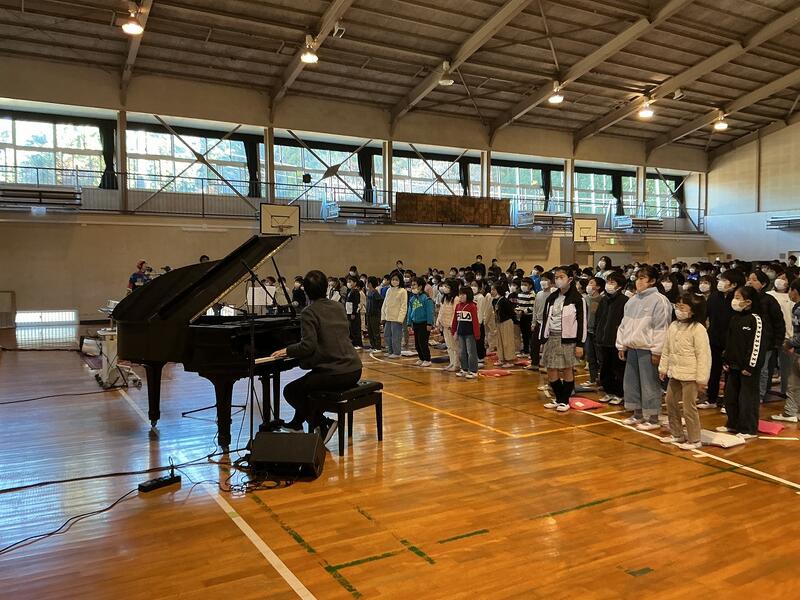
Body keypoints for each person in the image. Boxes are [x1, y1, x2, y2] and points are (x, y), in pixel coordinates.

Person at [271, 270, 362, 444]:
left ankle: (323, 423)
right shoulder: (338, 306)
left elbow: (308, 346)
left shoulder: (309, 312)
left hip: (335, 373)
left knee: (291, 391)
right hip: (354, 369)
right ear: (326, 288)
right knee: (308, 385)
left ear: (306, 291)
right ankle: (296, 424)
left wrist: (288, 350)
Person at [616, 265, 673, 429]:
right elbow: (624, 325)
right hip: (632, 347)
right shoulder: (632, 301)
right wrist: (621, 345)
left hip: (648, 349)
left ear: (652, 281)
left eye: (642, 278)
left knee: (649, 383)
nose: (638, 281)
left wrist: (657, 351)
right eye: (637, 278)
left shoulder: (660, 300)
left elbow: (662, 328)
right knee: (631, 382)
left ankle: (653, 418)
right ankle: (637, 413)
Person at [658, 293, 711, 450]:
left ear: (693, 310)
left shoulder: (698, 329)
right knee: (670, 402)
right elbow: (667, 349)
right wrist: (663, 368)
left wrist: (702, 379)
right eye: (677, 306)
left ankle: (695, 439)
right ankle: (677, 434)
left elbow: (703, 355)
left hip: (691, 375)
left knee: (689, 407)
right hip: (675, 372)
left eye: (682, 307)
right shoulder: (674, 326)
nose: (678, 310)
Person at [717, 285, 765, 440]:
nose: (734, 301)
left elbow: (756, 345)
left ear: (748, 302)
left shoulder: (755, 319)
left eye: (738, 298)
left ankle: (748, 428)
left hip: (748, 367)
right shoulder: (735, 318)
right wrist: (726, 360)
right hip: (733, 365)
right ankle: (733, 423)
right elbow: (729, 342)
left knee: (747, 399)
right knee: (731, 397)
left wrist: (750, 366)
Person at [539, 266, 587, 412]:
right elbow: (546, 319)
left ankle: (565, 400)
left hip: (568, 339)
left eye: (562, 277)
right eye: (556, 277)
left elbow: (582, 323)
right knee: (551, 368)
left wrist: (580, 344)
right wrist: (543, 339)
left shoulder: (578, 299)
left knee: (567, 369)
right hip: (552, 336)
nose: (558, 280)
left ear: (570, 279)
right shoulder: (552, 298)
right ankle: (559, 398)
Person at [699, 270, 744, 410]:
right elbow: (706, 315)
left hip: (732, 341)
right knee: (713, 370)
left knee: (730, 373)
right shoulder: (714, 296)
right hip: (714, 339)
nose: (721, 283)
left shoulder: (737, 300)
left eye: (725, 280)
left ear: (734, 284)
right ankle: (711, 399)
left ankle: (728, 402)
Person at [748, 270, 785, 401]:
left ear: (763, 284)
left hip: (766, 340)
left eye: (754, 280)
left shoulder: (769, 300)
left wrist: (778, 341)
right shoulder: (745, 298)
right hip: (748, 340)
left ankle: (760, 394)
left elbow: (778, 322)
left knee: (762, 369)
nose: (750, 282)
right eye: (749, 279)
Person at [595, 272, 628, 405]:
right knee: (605, 368)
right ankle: (608, 391)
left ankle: (619, 393)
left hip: (616, 341)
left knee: (618, 369)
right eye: (608, 282)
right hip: (603, 339)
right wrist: (598, 334)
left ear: (619, 286)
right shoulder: (604, 300)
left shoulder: (624, 301)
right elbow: (598, 318)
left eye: (612, 282)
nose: (608, 285)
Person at [772, 278, 800, 423]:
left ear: (795, 291)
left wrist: (789, 343)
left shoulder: (798, 309)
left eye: (790, 290)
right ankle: (792, 412)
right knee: (794, 383)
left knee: (793, 383)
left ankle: (790, 412)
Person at [767, 272, 794, 399]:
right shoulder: (769, 295)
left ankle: (786, 390)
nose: (780, 280)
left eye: (784, 278)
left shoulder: (791, 297)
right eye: (779, 277)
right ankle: (765, 389)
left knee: (786, 366)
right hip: (771, 335)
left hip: (788, 336)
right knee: (768, 364)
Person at [452, 286, 481, 379]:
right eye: (460, 294)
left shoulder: (472, 306)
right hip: (460, 333)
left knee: (471, 352)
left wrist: (477, 334)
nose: (461, 296)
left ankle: (473, 370)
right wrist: (454, 331)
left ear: (468, 295)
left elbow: (475, 321)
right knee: (462, 352)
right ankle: (464, 369)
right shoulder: (458, 306)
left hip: (470, 333)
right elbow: (455, 320)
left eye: (463, 294)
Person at [407, 277, 434, 367]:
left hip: (424, 323)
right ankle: (421, 358)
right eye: (411, 285)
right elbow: (410, 311)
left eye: (414, 285)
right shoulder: (412, 299)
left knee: (423, 342)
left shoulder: (426, 298)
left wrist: (429, 323)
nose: (412, 287)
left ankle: (427, 359)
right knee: (417, 344)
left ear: (420, 286)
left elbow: (430, 312)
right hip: (416, 323)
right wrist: (409, 323)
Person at [529, 273, 553, 371]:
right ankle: (534, 363)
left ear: (551, 281)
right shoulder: (538, 294)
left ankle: (547, 364)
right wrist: (533, 322)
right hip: (539, 322)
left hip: (549, 323)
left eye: (546, 279)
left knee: (548, 345)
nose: (543, 282)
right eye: (542, 279)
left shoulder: (553, 294)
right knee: (534, 344)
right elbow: (535, 309)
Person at [583, 276, 605, 387]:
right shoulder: (585, 299)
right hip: (587, 332)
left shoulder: (602, 300)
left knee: (600, 358)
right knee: (590, 357)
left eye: (591, 283)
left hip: (597, 332)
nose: (589, 285)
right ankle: (593, 379)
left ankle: (602, 380)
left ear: (598, 287)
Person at [436, 278, 460, 372]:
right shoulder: (445, 298)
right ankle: (452, 362)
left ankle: (457, 364)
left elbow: (455, 312)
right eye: (444, 286)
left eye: (447, 286)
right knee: (449, 346)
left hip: (451, 326)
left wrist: (452, 325)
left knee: (455, 346)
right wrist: (438, 321)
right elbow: (441, 311)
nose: (444, 288)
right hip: (445, 325)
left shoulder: (456, 299)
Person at [381, 273, 407, 358]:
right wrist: (383, 316)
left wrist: (400, 318)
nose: (394, 281)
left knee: (396, 336)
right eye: (393, 279)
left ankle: (397, 352)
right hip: (388, 317)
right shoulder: (389, 290)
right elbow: (385, 304)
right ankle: (390, 351)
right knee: (387, 335)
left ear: (400, 281)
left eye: (396, 279)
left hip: (397, 318)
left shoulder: (403, 291)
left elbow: (403, 306)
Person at [491, 282, 516, 368]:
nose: (491, 291)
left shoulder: (504, 301)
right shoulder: (494, 301)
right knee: (499, 341)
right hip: (499, 322)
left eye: (493, 290)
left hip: (506, 322)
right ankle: (501, 358)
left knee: (507, 342)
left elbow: (511, 312)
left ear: (498, 290)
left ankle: (510, 360)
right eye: (491, 290)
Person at [516, 278, 535, 358]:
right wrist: (517, 310)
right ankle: (525, 350)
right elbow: (518, 304)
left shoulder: (532, 295)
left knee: (529, 334)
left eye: (525, 285)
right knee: (524, 334)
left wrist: (523, 311)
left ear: (530, 286)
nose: (523, 286)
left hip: (529, 316)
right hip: (522, 317)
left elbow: (532, 307)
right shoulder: (520, 294)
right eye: (522, 284)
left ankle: (531, 351)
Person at [343, 275, 362, 348]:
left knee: (355, 328)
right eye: (348, 282)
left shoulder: (356, 292)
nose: (348, 283)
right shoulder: (350, 291)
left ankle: (358, 343)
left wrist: (353, 313)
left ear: (355, 283)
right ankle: (353, 342)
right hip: (349, 312)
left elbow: (356, 303)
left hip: (353, 313)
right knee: (351, 328)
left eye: (350, 282)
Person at [365, 277, 383, 353]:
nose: (366, 284)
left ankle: (378, 347)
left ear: (370, 283)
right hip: (369, 314)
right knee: (370, 331)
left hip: (374, 315)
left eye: (367, 282)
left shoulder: (375, 292)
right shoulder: (369, 292)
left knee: (375, 331)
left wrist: (377, 311)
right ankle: (373, 346)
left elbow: (380, 301)